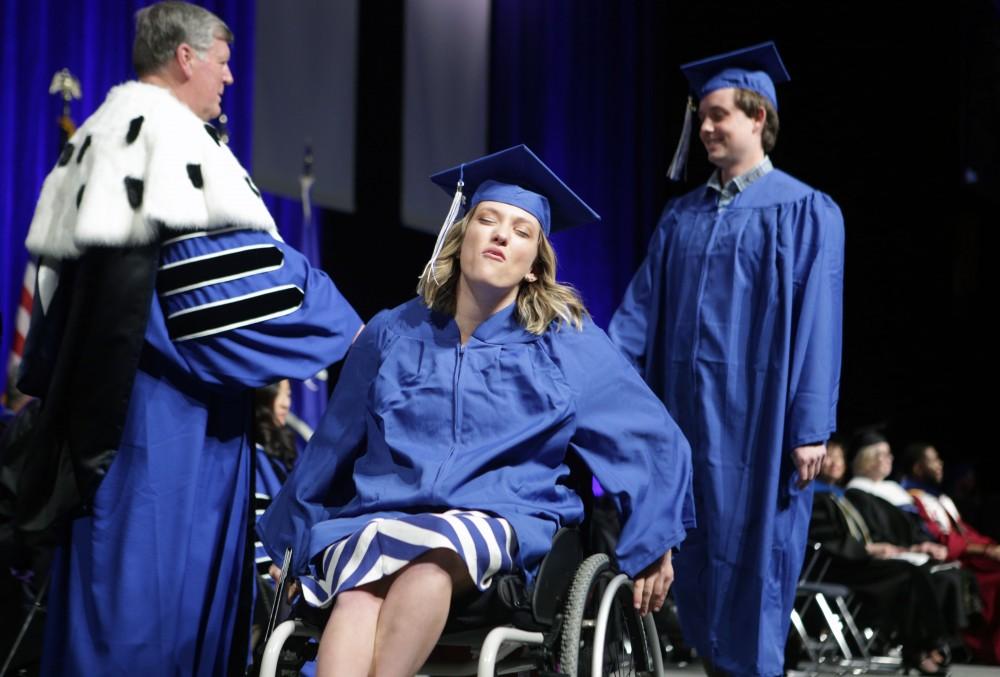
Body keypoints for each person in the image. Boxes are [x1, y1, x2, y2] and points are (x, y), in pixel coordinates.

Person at [8, 3, 362, 675]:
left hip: (112, 414)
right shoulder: (164, 144)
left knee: (115, 600)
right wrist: (347, 324)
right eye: (224, 63)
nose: (230, 79)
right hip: (164, 429)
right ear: (185, 58)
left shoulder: (97, 139)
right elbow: (215, 292)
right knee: (149, 615)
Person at [259, 145, 695, 677]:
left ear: (535, 267)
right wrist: (291, 535)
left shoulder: (565, 345)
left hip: (498, 515)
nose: (501, 233)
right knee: (356, 594)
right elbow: (331, 445)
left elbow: (648, 437)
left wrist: (655, 539)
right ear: (461, 236)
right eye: (487, 219)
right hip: (383, 511)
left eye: (521, 230)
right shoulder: (393, 333)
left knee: (432, 567)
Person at [608, 42, 845, 676]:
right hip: (685, 422)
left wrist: (811, 426)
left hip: (761, 427)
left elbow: (821, 322)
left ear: (758, 117)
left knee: (757, 566)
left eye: (719, 115)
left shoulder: (805, 210)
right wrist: (598, 383)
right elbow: (638, 314)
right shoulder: (680, 217)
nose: (707, 127)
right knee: (698, 567)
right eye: (704, 116)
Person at [811, 440, 952, 673]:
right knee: (905, 575)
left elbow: (864, 534)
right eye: (829, 457)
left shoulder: (841, 496)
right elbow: (825, 540)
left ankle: (923, 647)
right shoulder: (812, 496)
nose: (836, 463)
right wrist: (868, 550)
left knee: (912, 572)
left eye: (840, 457)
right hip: (833, 566)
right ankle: (922, 648)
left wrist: (887, 548)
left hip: (855, 562)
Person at [903, 443, 1000, 664]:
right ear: (918, 468)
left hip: (970, 558)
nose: (940, 465)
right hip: (952, 561)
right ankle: (988, 649)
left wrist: (991, 546)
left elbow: (966, 532)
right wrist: (986, 550)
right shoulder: (914, 499)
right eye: (933, 460)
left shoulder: (941, 499)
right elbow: (938, 538)